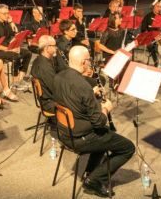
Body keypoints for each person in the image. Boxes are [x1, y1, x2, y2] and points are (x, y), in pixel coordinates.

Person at [53, 45, 135, 197]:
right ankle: (94, 180)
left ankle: (91, 172)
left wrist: (90, 95)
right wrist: (106, 108)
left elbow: (71, 99)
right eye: (89, 61)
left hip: (64, 133)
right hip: (81, 138)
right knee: (128, 148)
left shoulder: (59, 76)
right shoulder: (83, 85)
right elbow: (99, 122)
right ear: (84, 62)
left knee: (107, 136)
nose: (90, 64)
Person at [0, 4, 32, 91]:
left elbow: (13, 34)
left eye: (8, 13)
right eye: (5, 13)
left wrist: (11, 23)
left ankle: (20, 77)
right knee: (16, 56)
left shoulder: (6, 23)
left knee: (27, 53)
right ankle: (15, 81)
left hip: (9, 48)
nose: (7, 15)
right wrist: (9, 49)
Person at [30, 35, 58, 114]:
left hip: (46, 99)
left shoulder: (38, 60)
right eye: (54, 46)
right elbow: (55, 89)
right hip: (50, 103)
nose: (56, 48)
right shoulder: (45, 67)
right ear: (46, 48)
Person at [140, 0, 161, 67]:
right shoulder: (147, 17)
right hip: (151, 37)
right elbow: (143, 29)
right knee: (151, 45)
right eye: (157, 6)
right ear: (153, 6)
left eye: (160, 7)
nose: (159, 8)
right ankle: (156, 61)